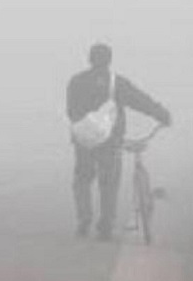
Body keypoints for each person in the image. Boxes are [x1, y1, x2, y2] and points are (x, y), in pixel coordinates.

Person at [66, 43, 171, 241]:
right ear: (109, 60)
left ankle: (84, 220)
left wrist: (87, 125)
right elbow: (141, 101)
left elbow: (71, 111)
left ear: (90, 59)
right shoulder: (118, 83)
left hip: (84, 140)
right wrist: (162, 114)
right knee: (109, 182)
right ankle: (105, 225)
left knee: (82, 179)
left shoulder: (76, 81)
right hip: (110, 140)